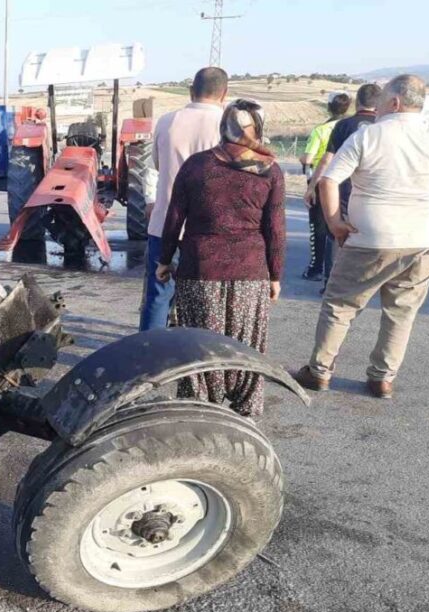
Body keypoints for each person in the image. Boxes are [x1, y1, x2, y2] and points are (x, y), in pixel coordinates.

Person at [294, 75, 429, 400]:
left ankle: (319, 370)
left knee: (340, 305)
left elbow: (329, 181)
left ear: (395, 102)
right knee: (401, 311)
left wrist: (335, 223)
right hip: (421, 240)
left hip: (367, 238)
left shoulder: (368, 136)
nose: (376, 108)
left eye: (383, 100)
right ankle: (382, 378)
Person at [157, 100, 285, 417]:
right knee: (245, 346)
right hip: (251, 272)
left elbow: (174, 218)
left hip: (200, 269)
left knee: (200, 344)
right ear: (258, 130)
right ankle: (244, 412)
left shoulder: (197, 166)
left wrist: (164, 259)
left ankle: (200, 408)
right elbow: (275, 229)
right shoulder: (270, 169)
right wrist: (274, 276)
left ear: (222, 128)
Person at [140, 66, 228, 331]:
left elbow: (155, 165)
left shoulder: (167, 121)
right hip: (211, 228)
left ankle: (149, 357)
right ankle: (197, 357)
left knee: (158, 295)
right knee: (208, 300)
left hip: (165, 222)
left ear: (191, 91)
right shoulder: (229, 123)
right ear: (225, 94)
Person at [305, 83, 382, 291]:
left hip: (345, 189)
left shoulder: (342, 126)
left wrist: (313, 186)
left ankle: (330, 282)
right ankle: (366, 283)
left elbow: (326, 161)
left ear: (357, 102)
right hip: (376, 191)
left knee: (337, 233)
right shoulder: (383, 126)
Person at [299, 93, 351, 281]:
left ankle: (316, 268)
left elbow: (308, 159)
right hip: (345, 182)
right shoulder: (350, 127)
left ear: (328, 107)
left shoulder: (320, 130)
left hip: (321, 180)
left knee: (319, 227)